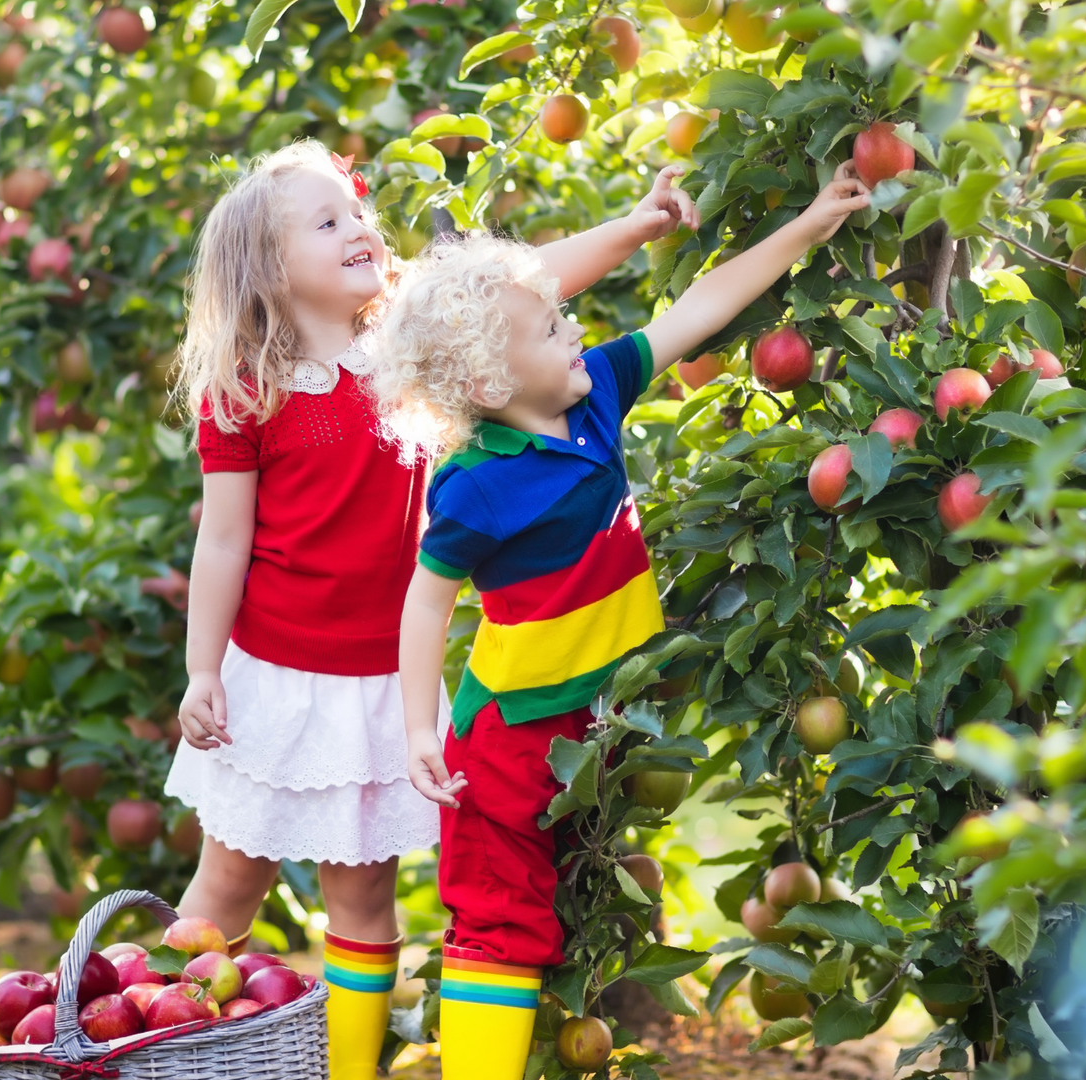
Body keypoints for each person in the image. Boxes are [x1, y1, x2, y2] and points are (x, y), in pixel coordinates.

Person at [165, 138, 696, 1080]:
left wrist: (640, 223)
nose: (358, 228)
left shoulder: (402, 339)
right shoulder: (248, 387)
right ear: (267, 267)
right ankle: (148, 1030)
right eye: (326, 222)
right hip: (275, 677)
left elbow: (530, 283)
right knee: (230, 877)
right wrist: (205, 669)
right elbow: (223, 540)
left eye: (355, 211)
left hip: (379, 681)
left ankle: (346, 1071)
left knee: (364, 902)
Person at [377, 162, 873, 1080]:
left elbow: (702, 307)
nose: (576, 330)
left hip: (600, 717)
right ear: (491, 377)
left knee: (576, 897)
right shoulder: (476, 486)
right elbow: (424, 603)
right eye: (552, 326)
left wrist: (810, 224)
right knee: (499, 917)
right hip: (512, 732)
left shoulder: (596, 393)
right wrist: (420, 728)